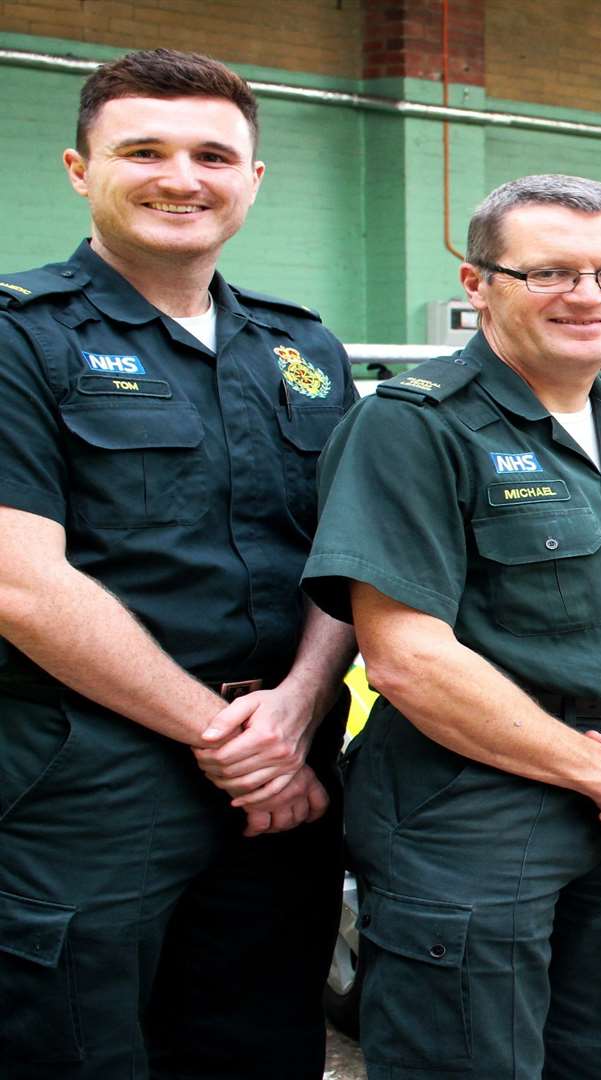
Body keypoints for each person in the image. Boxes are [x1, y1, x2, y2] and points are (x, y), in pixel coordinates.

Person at [301, 174, 601, 1079]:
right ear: (477, 284)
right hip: (476, 804)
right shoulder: (412, 425)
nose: (592, 295)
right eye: (552, 272)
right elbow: (407, 657)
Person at [0, 48, 358, 1079]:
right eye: (144, 150)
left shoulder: (304, 350)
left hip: (282, 782)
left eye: (213, 153)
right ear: (79, 168)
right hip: (88, 778)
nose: (181, 177)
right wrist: (229, 737)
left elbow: (343, 557)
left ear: (253, 179)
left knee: (259, 1043)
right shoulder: (23, 337)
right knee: (77, 1045)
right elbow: (23, 581)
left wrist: (292, 711)